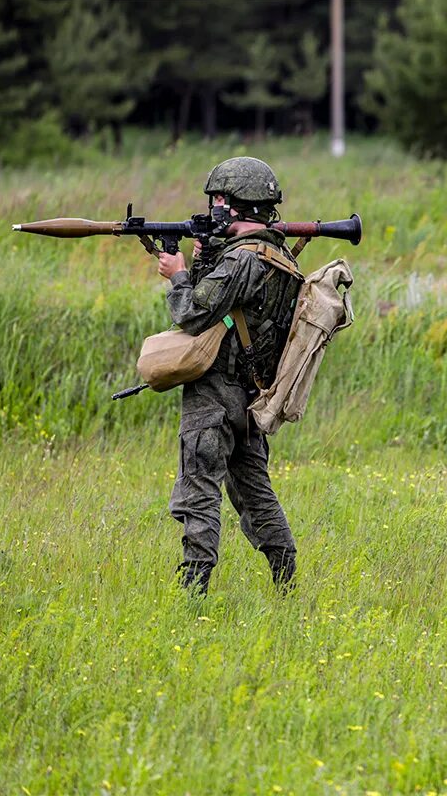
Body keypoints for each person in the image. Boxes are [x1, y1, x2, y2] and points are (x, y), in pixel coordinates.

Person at [154, 156, 300, 595]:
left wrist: (177, 275)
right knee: (256, 493)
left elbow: (191, 313)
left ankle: (192, 592)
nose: (215, 207)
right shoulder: (279, 255)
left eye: (220, 200)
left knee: (199, 488)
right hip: (250, 398)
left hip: (214, 396)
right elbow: (234, 311)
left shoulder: (242, 262)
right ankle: (287, 583)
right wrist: (203, 259)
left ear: (238, 205)